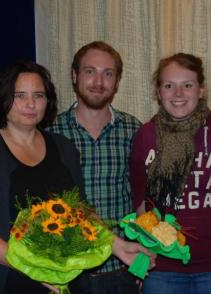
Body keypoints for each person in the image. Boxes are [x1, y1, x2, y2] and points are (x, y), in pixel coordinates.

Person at [0, 60, 152, 294]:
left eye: (38, 95)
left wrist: (116, 245)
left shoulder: (63, 147)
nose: (30, 103)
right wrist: (29, 266)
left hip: (64, 279)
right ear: (3, 99)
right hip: (7, 278)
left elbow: (81, 212)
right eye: (20, 95)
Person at [130, 53, 211, 294]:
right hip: (160, 270)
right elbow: (140, 206)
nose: (178, 94)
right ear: (159, 92)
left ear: (201, 90)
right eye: (169, 85)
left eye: (187, 85)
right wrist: (142, 259)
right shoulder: (145, 136)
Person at [47, 41, 142, 293]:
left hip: (122, 269)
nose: (99, 81)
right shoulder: (50, 133)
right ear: (74, 76)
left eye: (108, 73)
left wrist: (142, 266)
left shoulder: (135, 130)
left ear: (117, 81)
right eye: (90, 71)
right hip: (69, 269)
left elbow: (145, 200)